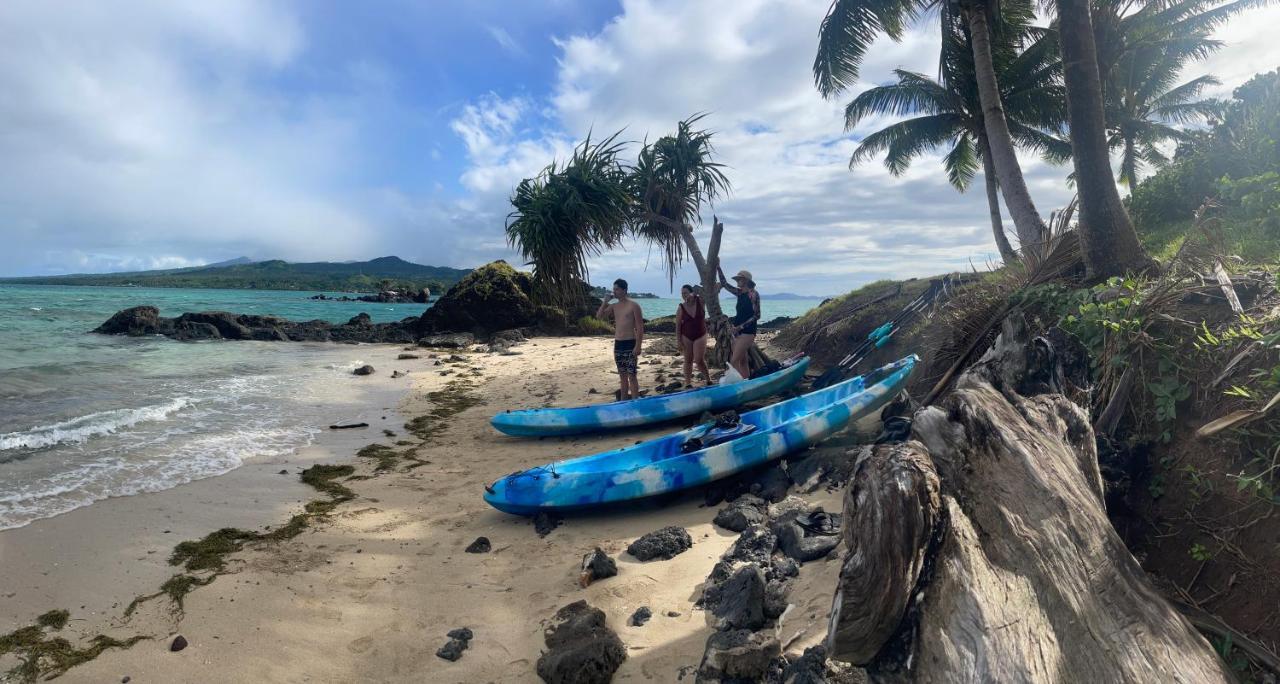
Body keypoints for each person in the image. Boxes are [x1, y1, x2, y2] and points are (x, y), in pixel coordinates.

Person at [595, 278, 644, 400]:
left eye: (616, 289)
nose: (614, 292)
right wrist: (604, 302)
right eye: (614, 289)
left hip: (630, 343)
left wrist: (638, 345)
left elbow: (639, 327)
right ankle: (623, 401)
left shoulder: (634, 305)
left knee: (632, 375)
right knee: (622, 375)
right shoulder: (614, 306)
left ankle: (635, 401)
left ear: (624, 290)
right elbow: (599, 317)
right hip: (618, 344)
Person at [718, 266, 760, 381]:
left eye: (739, 279)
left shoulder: (753, 294)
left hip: (748, 332)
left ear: (746, 281)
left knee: (734, 361)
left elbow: (757, 315)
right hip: (736, 332)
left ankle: (736, 385)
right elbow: (724, 283)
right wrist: (718, 266)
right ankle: (745, 382)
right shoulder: (739, 293)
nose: (737, 281)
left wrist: (740, 327)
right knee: (742, 360)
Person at [676, 284, 710, 387]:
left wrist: (695, 292)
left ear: (691, 292)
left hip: (701, 334)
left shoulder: (700, 301)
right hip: (686, 336)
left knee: (699, 359)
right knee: (688, 360)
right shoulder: (681, 307)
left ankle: (708, 379)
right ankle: (688, 383)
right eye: (682, 294)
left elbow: (706, 292)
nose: (684, 295)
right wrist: (679, 341)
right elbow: (678, 326)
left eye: (685, 293)